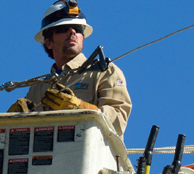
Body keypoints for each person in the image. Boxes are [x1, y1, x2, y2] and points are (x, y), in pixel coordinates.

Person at [8, 0, 132, 137]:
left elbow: (118, 120)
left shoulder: (103, 72)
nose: (72, 32)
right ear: (48, 42)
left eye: (78, 29)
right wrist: (12, 120)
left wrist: (79, 107)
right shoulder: (38, 88)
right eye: (63, 28)